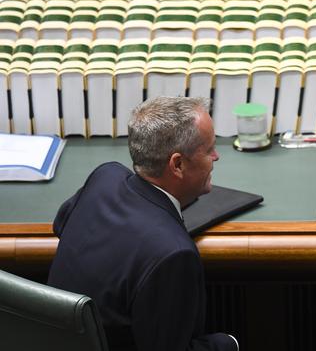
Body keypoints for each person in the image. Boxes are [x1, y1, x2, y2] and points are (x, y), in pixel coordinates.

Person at [48, 96, 238, 351]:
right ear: (178, 164)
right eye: (209, 150)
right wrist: (230, 343)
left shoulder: (105, 176)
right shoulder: (174, 254)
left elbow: (61, 224)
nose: (216, 156)